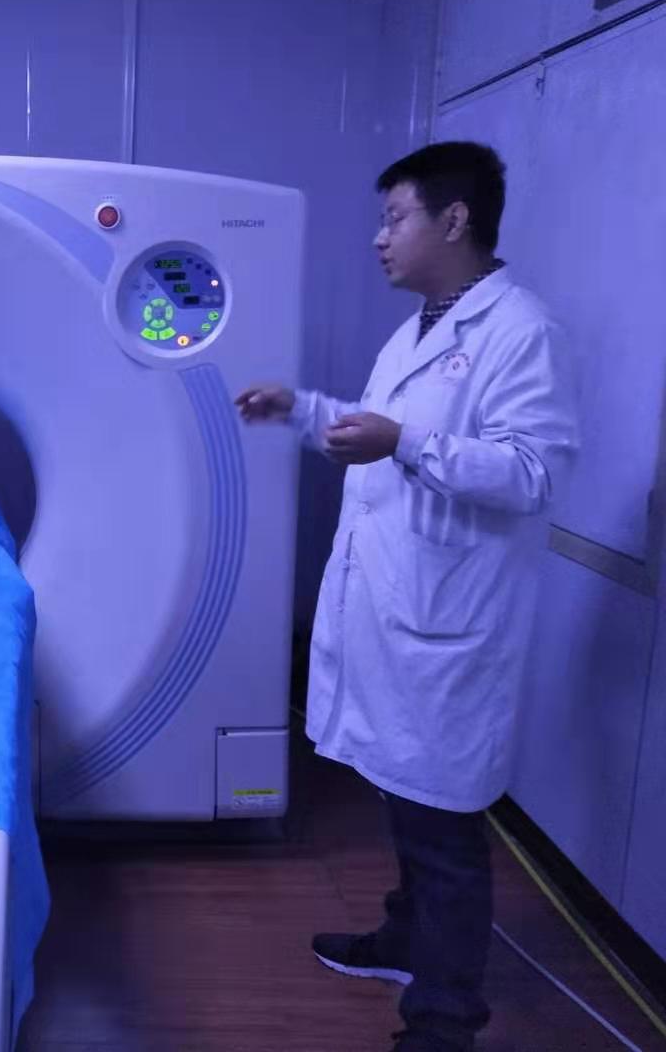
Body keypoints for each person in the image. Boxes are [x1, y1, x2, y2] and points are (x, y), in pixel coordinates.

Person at [236, 141, 579, 1052]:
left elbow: (535, 473)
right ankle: (404, 940)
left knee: (442, 824)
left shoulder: (521, 332)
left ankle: (445, 1018)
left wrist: (408, 444)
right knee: (402, 792)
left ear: (454, 219)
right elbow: (377, 432)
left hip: (451, 623)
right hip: (395, 606)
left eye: (395, 218)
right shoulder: (420, 330)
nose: (379, 237)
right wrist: (300, 409)